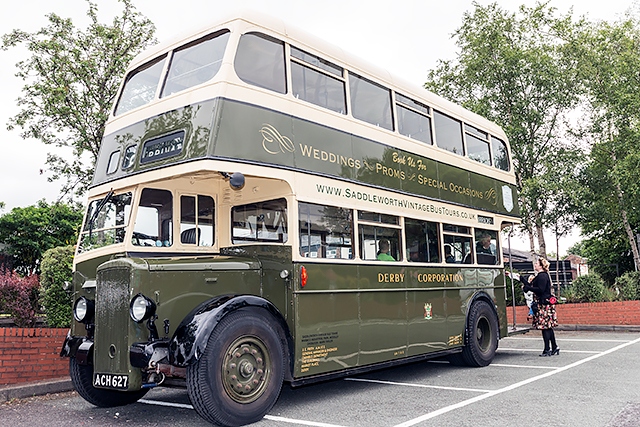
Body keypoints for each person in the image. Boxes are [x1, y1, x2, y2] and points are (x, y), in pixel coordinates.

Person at [520, 258, 559, 356]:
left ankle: (547, 349)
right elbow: (530, 285)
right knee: (548, 327)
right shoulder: (542, 275)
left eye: (537, 263)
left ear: (541, 266)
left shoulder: (542, 276)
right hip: (545, 304)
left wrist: (528, 288)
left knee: (545, 327)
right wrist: (521, 278)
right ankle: (554, 347)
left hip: (543, 304)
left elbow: (540, 290)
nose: (535, 265)